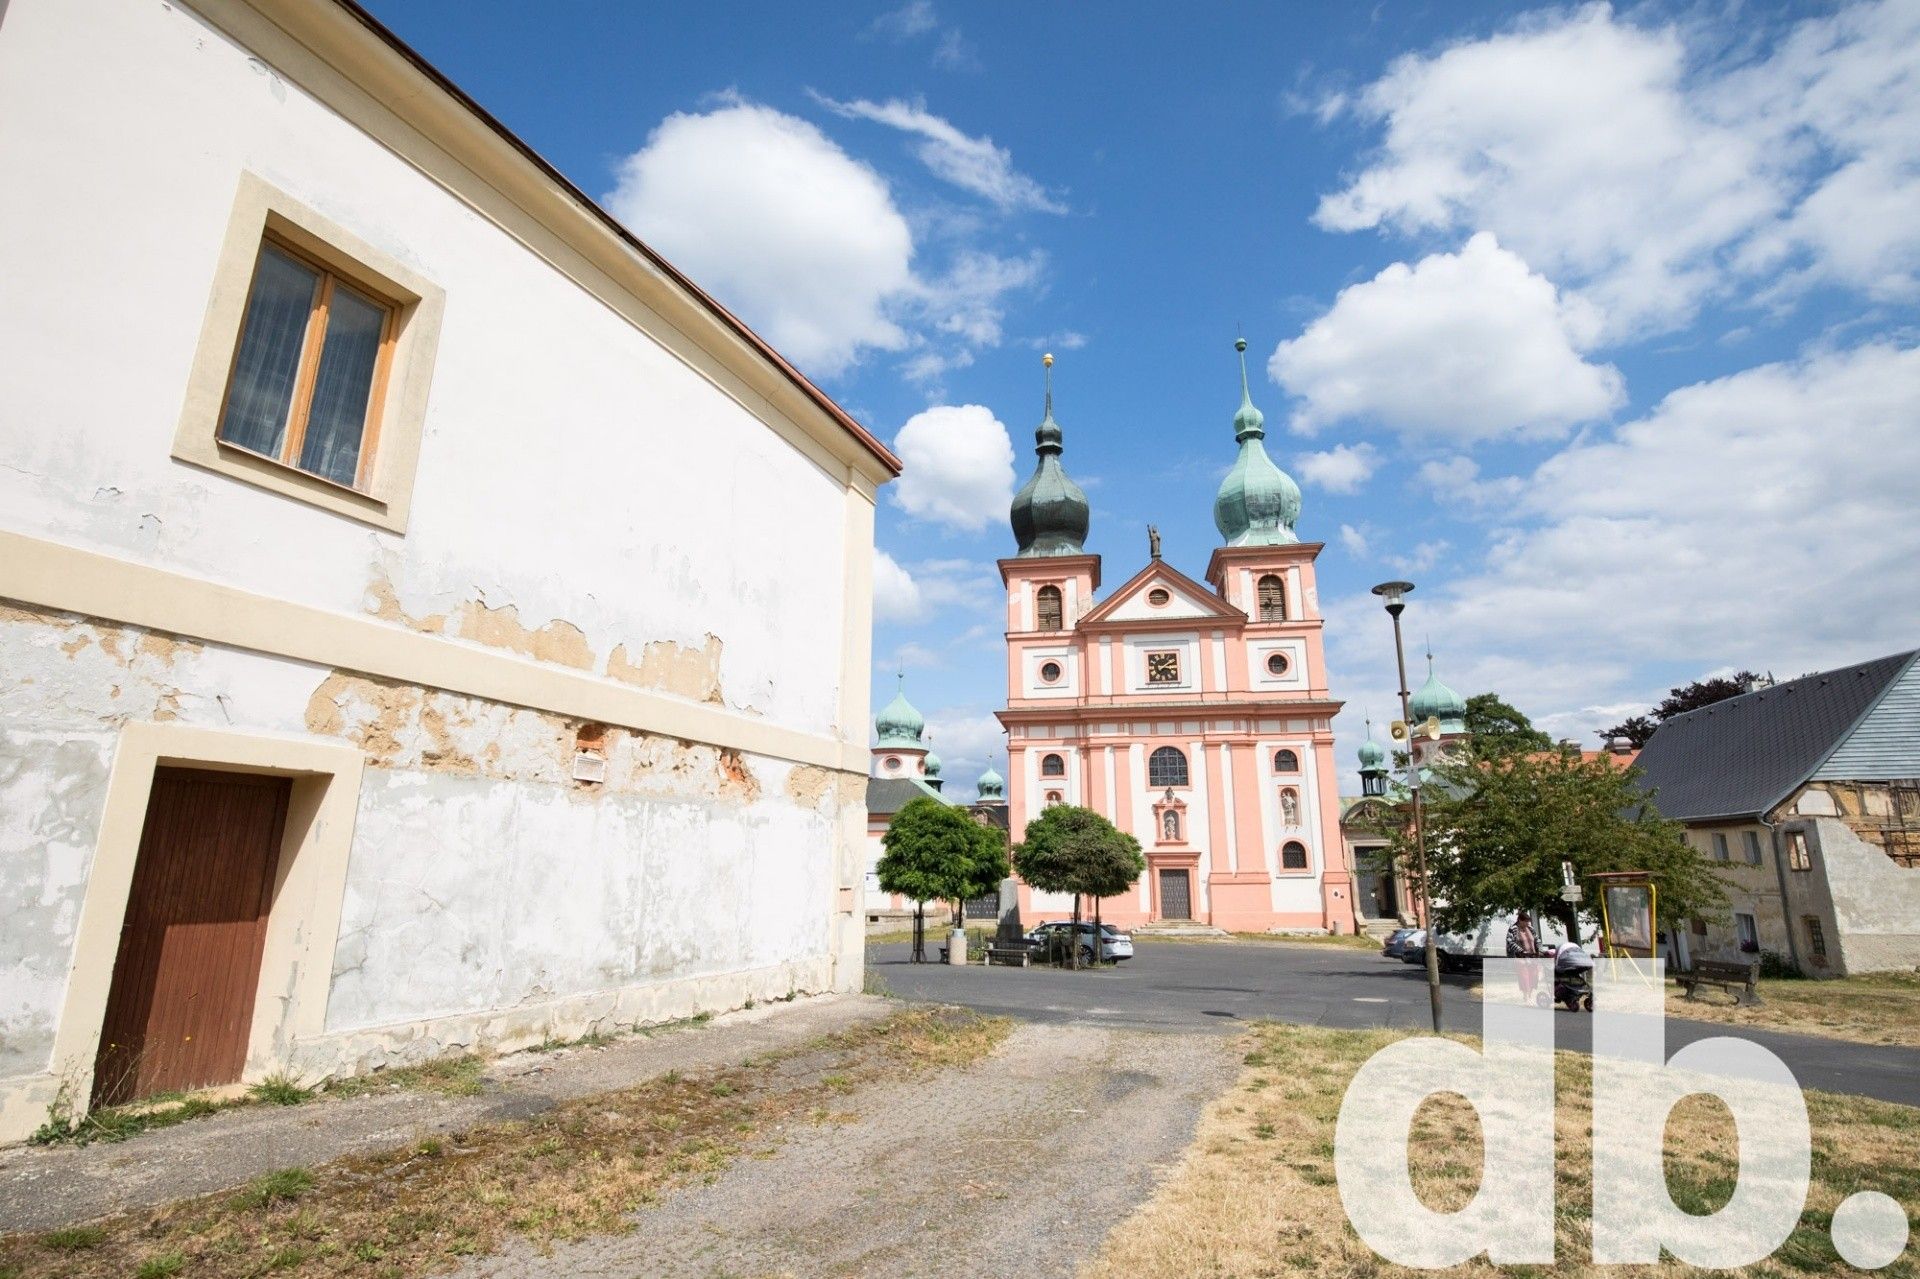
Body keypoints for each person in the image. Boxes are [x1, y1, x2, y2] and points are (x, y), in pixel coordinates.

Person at [1507, 910, 1542, 1002]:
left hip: (1533, 956)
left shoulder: (1530, 928)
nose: (1527, 923)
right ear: (1520, 920)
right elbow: (1510, 942)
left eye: (1528, 921)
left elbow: (1537, 939)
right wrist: (1521, 950)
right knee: (1524, 977)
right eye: (1526, 921)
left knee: (1534, 976)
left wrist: (1539, 948)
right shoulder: (1513, 929)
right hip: (1521, 957)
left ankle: (1529, 995)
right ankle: (1526, 997)